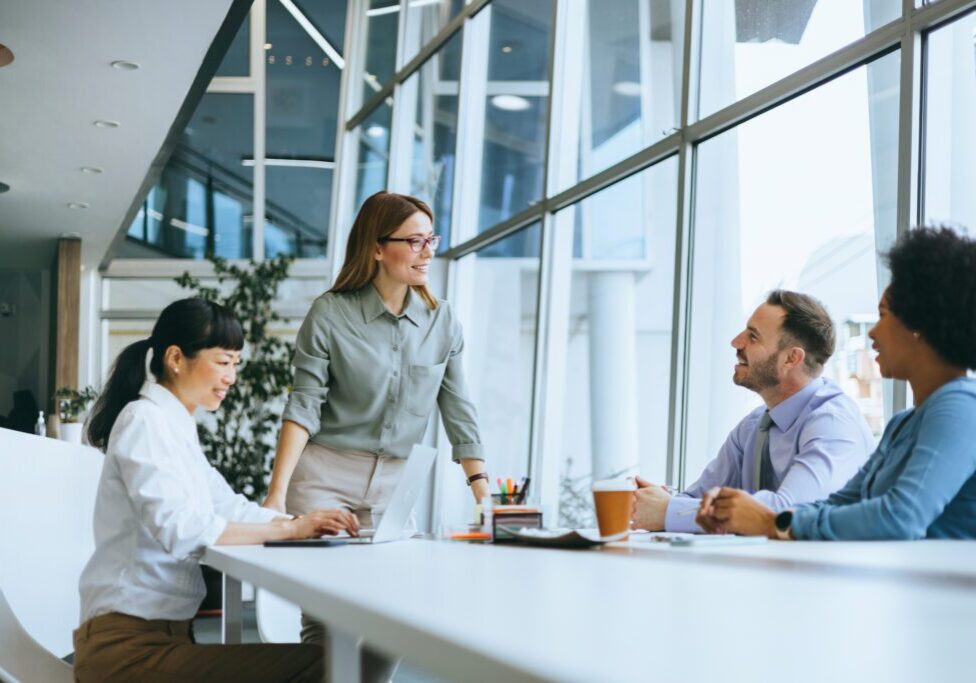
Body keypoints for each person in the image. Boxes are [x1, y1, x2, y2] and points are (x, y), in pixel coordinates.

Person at [261, 191, 488, 674]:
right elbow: (304, 404)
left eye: (431, 240)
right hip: (325, 475)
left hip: (395, 483)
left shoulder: (442, 321)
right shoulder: (330, 314)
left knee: (399, 614)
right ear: (378, 248)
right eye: (415, 241)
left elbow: (458, 409)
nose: (428, 252)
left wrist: (482, 491)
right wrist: (276, 495)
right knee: (326, 620)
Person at [74, 298, 358, 683]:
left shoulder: (175, 428)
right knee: (329, 665)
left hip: (162, 640)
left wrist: (303, 524)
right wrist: (291, 529)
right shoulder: (144, 421)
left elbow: (228, 506)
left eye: (235, 364)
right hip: (125, 650)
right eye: (223, 362)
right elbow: (181, 529)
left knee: (331, 661)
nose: (231, 377)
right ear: (176, 358)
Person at [696, 227, 976, 540]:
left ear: (918, 324)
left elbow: (899, 517)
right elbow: (839, 504)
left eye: (883, 316)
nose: (873, 333)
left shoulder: (961, 408)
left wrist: (769, 523)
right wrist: (765, 517)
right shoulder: (902, 424)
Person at [632, 290, 873, 533]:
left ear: (791, 358)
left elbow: (787, 513)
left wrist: (668, 511)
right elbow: (698, 498)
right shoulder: (754, 426)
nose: (736, 342)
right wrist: (656, 501)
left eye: (753, 336)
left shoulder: (834, 425)